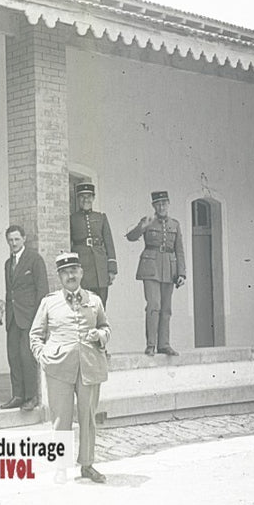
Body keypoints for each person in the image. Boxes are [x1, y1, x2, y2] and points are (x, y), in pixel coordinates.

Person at [30, 252, 112, 483]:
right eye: (65, 272)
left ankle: (87, 465)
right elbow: (35, 335)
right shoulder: (49, 302)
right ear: (59, 276)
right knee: (60, 419)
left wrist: (100, 335)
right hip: (59, 368)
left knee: (88, 418)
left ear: (81, 273)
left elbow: (106, 327)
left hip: (89, 367)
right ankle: (61, 468)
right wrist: (43, 356)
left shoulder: (94, 301)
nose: (70, 276)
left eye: (74, 270)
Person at [125, 190, 186, 355]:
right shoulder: (148, 221)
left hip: (170, 269)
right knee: (154, 305)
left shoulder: (175, 224)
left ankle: (164, 344)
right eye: (158, 204)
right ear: (153, 206)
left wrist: (181, 273)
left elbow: (179, 250)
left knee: (166, 308)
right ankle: (151, 344)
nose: (161, 207)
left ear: (168, 204)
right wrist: (142, 226)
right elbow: (131, 237)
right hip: (150, 268)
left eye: (164, 203)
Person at [1, 224, 49, 411]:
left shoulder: (35, 260)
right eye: (10, 240)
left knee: (26, 356)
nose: (13, 243)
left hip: (29, 317)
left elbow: (42, 290)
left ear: (24, 239)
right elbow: (10, 292)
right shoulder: (8, 263)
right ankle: (18, 395)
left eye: (16, 239)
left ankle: (31, 396)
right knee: (13, 356)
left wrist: (39, 319)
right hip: (13, 317)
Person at [70, 183, 118, 305]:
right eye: (82, 197)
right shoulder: (72, 219)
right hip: (82, 266)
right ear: (78, 199)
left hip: (100, 268)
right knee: (83, 304)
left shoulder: (101, 217)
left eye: (89, 196)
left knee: (101, 304)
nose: (86, 200)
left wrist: (112, 269)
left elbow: (109, 243)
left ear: (93, 198)